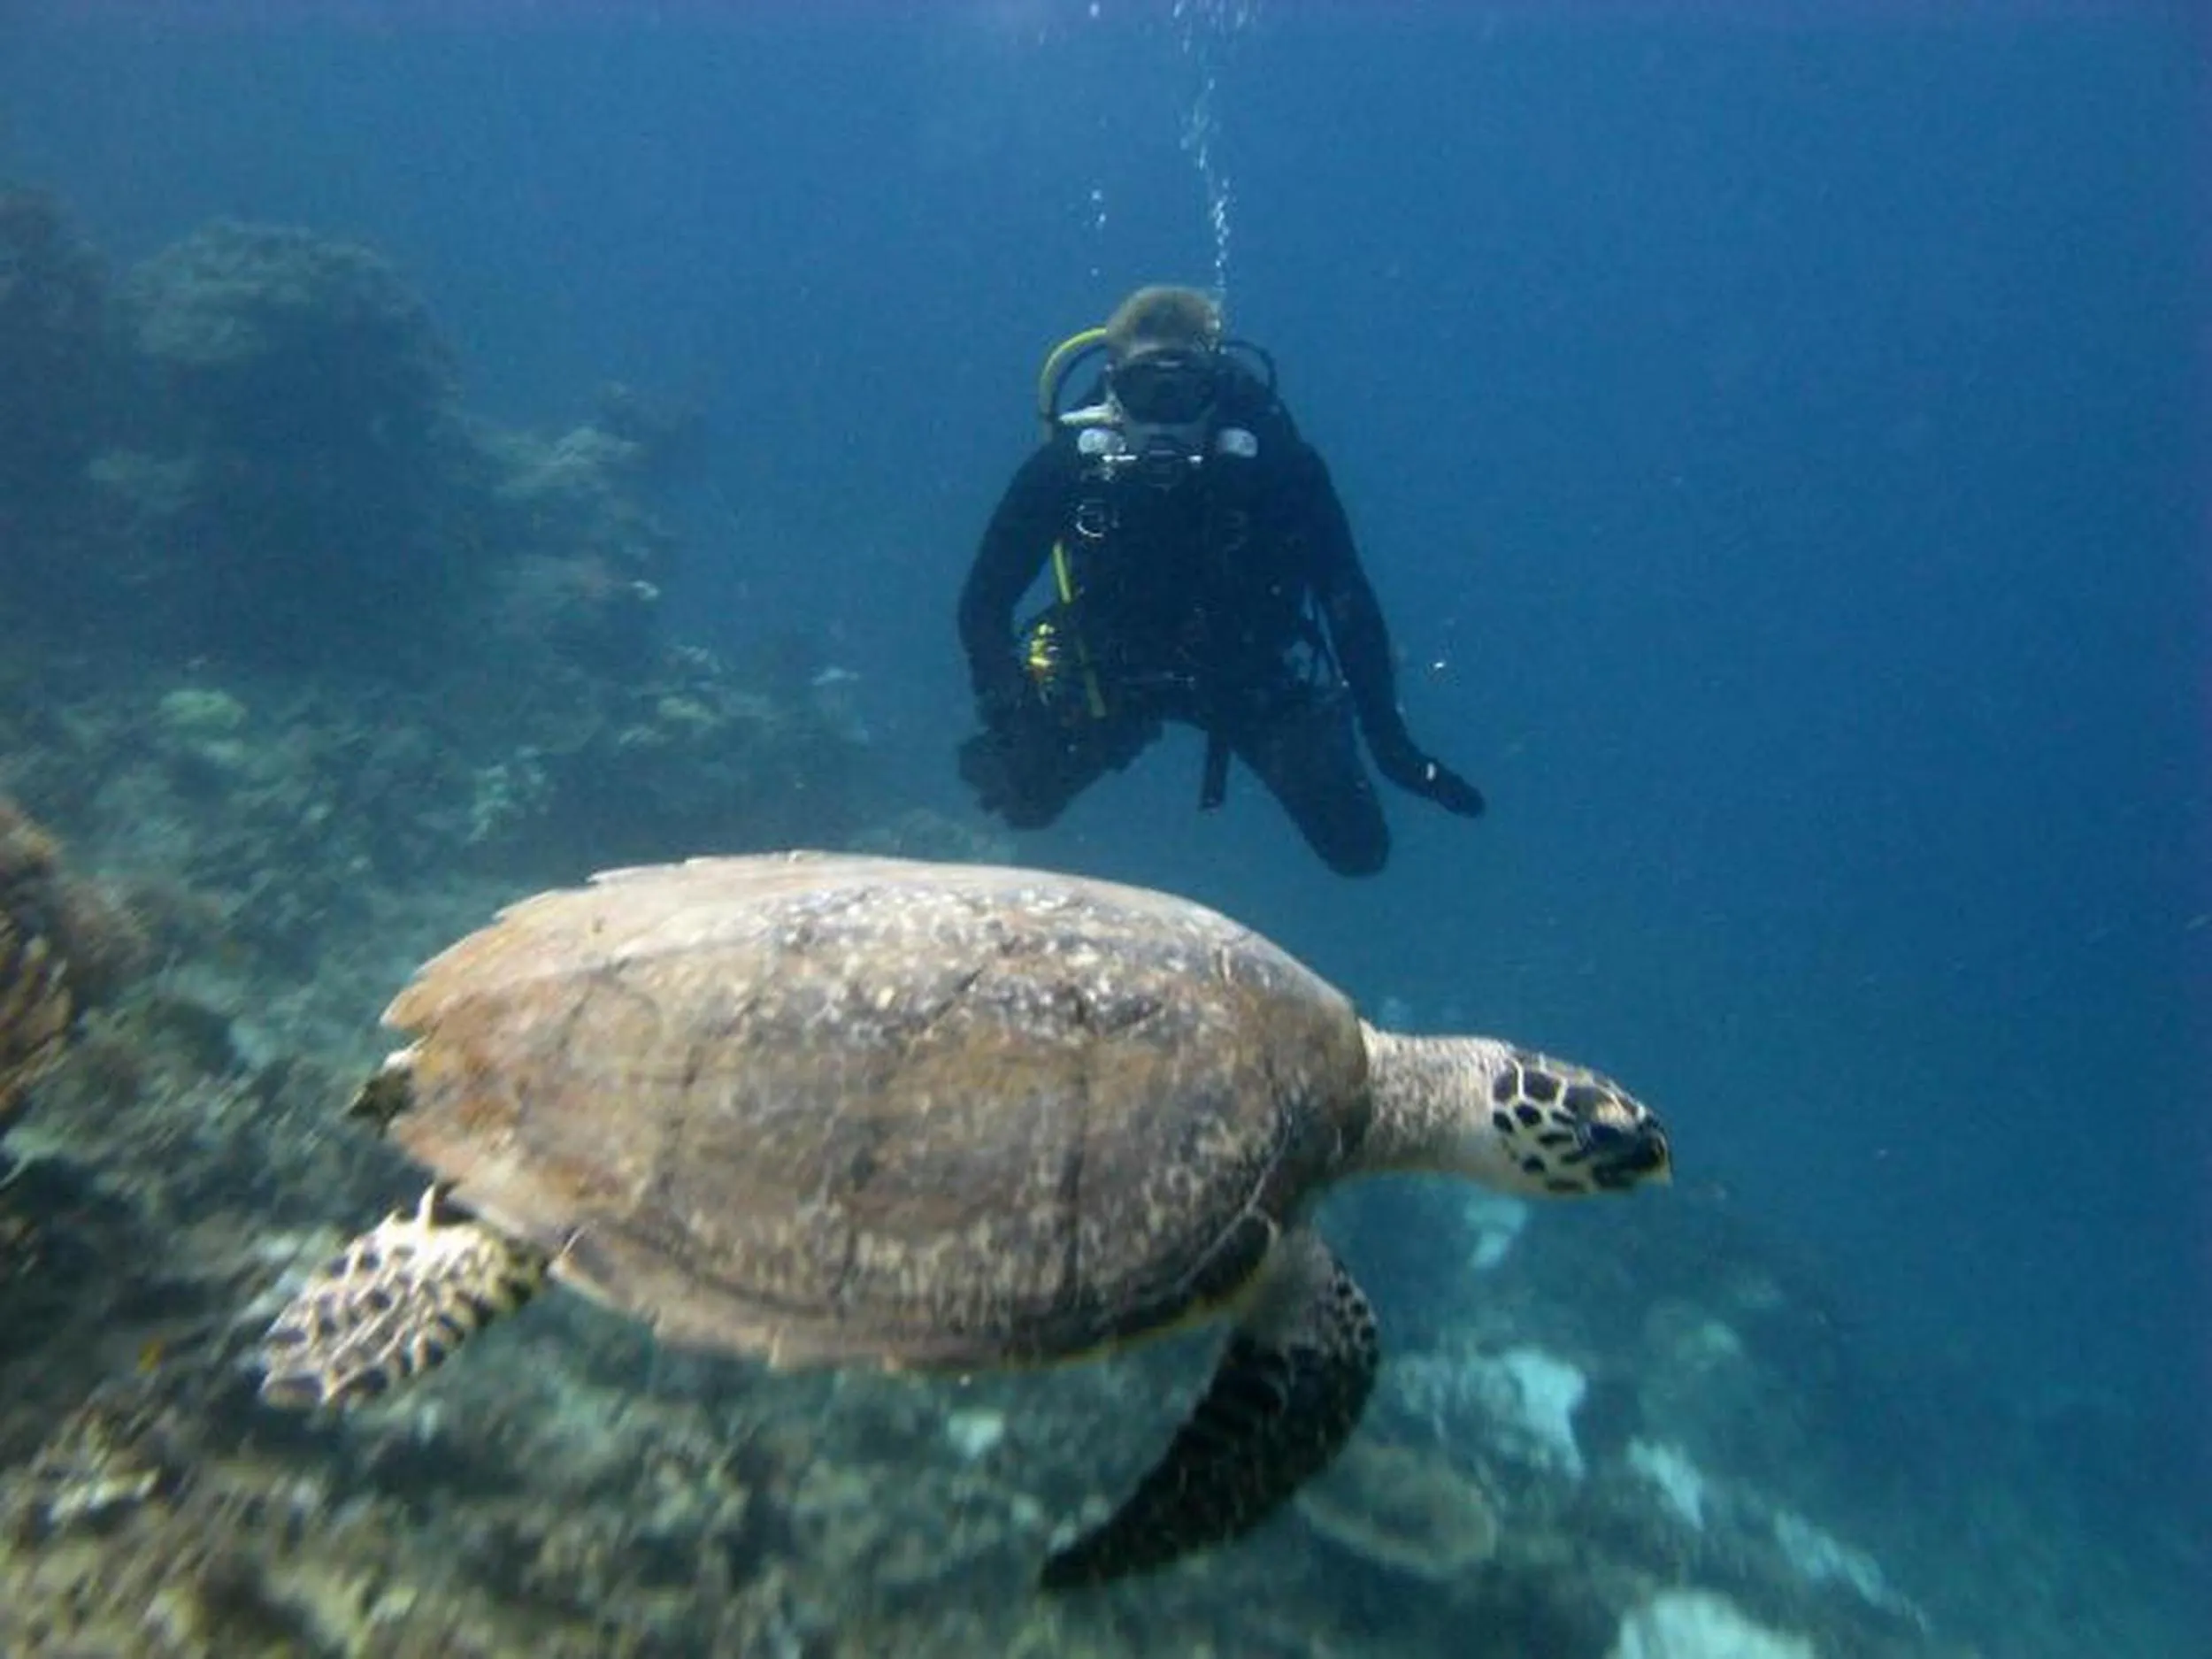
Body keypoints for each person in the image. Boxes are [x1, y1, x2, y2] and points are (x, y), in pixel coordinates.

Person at [956, 284, 1484, 877]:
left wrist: (1393, 748)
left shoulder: (1279, 466)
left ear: (1215, 389)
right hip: (1109, 673)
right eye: (1142, 392)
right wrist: (1011, 704)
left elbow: (1348, 602)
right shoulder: (1068, 467)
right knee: (1022, 801)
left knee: (1361, 851)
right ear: (1111, 390)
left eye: (1181, 393)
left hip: (1249, 675)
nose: (1162, 418)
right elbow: (983, 603)